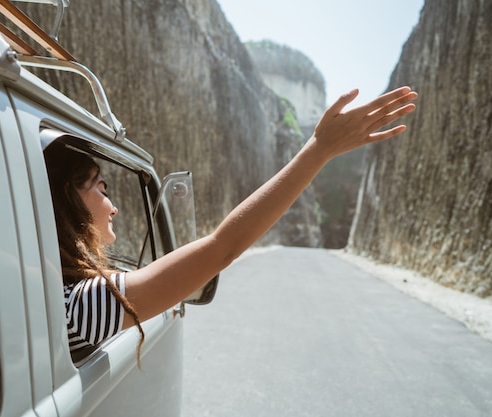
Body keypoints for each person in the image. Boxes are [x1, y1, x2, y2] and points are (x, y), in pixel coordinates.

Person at [44, 86, 418, 361]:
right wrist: (319, 149)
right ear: (67, 198)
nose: (114, 207)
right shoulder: (80, 307)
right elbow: (223, 247)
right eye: (101, 187)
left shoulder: (60, 297)